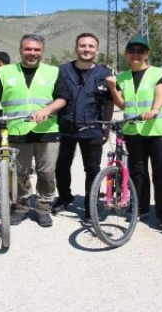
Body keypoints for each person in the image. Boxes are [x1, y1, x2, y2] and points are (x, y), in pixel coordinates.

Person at [0, 34, 68, 228]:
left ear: (42, 51)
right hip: (17, 131)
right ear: (20, 50)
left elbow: (62, 98)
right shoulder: (6, 72)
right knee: (19, 174)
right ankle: (21, 207)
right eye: (28, 49)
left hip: (47, 131)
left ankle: (43, 208)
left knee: (47, 173)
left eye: (37, 50)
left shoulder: (53, 71)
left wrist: (47, 110)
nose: (32, 53)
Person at [106, 35, 162, 230]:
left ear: (147, 54)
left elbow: (160, 95)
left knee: (161, 173)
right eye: (132, 51)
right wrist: (113, 88)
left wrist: (154, 110)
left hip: (157, 130)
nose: (136, 54)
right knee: (137, 172)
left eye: (141, 51)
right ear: (127, 53)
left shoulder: (158, 74)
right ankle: (140, 209)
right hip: (133, 130)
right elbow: (122, 103)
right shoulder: (122, 77)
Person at [52, 33, 114, 222]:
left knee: (92, 169)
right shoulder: (62, 71)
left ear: (97, 50)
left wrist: (107, 126)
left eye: (90, 46)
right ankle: (64, 197)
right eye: (82, 45)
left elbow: (109, 103)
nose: (86, 49)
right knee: (61, 166)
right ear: (76, 48)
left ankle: (90, 204)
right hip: (65, 127)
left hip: (93, 127)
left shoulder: (105, 73)